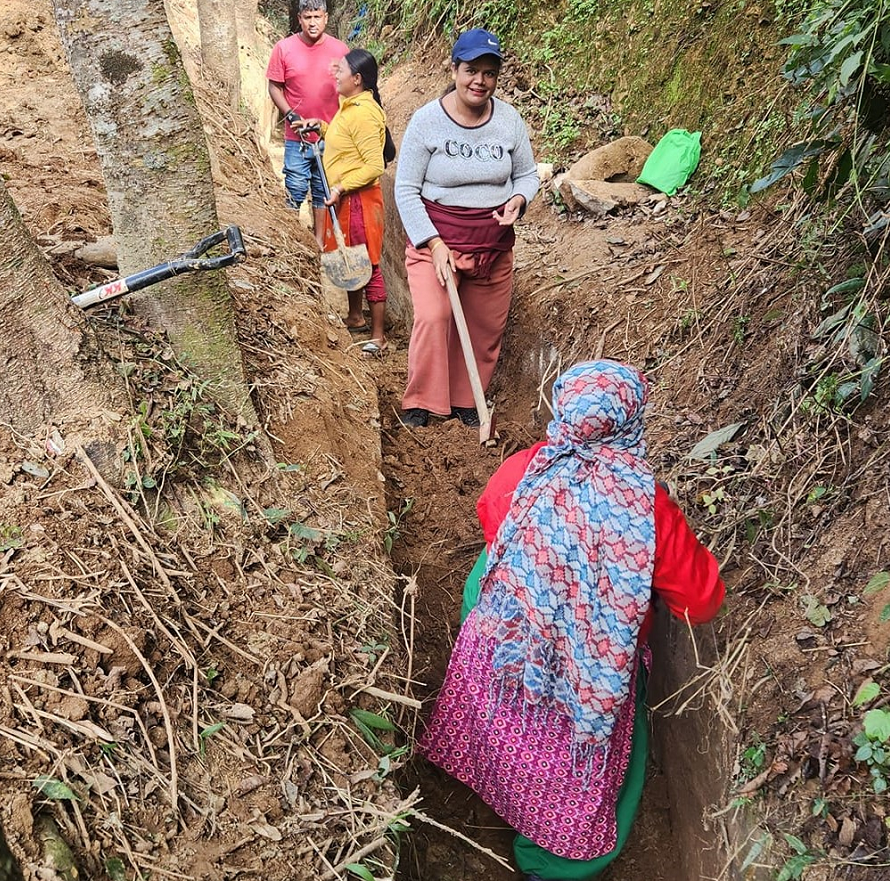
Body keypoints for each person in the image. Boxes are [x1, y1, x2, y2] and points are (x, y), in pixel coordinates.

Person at [419, 360, 725, 881]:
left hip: (509, 636)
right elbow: (701, 600)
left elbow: (490, 514)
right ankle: (554, 864)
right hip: (583, 665)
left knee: (485, 599)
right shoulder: (645, 508)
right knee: (608, 756)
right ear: (630, 422)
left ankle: (488, 779)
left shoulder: (526, 467)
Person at [393, 28, 540, 428]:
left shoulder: (509, 120)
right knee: (434, 317)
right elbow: (405, 190)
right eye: (471, 70)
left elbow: (527, 175)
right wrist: (434, 243)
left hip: (492, 247)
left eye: (489, 73)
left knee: (483, 327)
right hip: (436, 243)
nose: (480, 81)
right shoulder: (426, 121)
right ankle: (422, 401)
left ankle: (467, 399)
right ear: (454, 69)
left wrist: (519, 200)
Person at [317, 48, 396, 354]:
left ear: (358, 79)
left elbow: (374, 164)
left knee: (369, 262)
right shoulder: (350, 106)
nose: (336, 74)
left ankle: (378, 336)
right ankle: (355, 316)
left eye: (342, 70)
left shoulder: (363, 113)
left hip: (359, 199)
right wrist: (321, 128)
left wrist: (342, 187)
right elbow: (345, 141)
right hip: (347, 196)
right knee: (352, 257)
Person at [266, 0, 347, 244]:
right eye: (307, 17)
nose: (313, 22)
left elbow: (350, 88)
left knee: (324, 190)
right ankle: (290, 244)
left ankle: (318, 244)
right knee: (295, 188)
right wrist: (290, 114)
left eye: (317, 16)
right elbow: (274, 86)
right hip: (297, 138)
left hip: (330, 136)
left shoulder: (340, 50)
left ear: (326, 17)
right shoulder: (284, 49)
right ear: (299, 18)